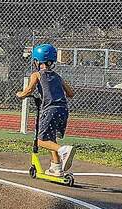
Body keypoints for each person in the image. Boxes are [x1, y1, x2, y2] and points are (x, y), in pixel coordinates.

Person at [15, 44, 76, 176]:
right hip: (63, 109)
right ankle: (56, 167)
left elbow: (29, 90)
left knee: (41, 140)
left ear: (37, 61)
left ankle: (63, 150)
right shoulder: (57, 76)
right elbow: (70, 93)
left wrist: (21, 94)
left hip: (50, 109)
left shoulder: (36, 75)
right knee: (51, 137)